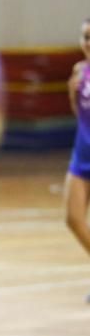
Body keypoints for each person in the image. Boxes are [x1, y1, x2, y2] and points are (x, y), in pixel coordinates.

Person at [64, 17, 90, 284]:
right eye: (85, 36)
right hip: (81, 157)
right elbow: (79, 114)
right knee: (73, 219)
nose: (88, 42)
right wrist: (72, 94)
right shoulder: (79, 71)